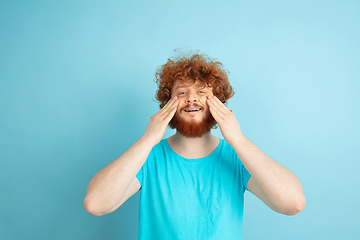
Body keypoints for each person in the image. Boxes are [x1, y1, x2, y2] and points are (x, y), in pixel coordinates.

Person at [84, 53, 306, 239]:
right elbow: (96, 204)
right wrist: (147, 139)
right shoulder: (148, 157)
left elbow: (292, 204)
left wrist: (238, 139)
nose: (192, 99)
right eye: (182, 93)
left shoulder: (237, 158)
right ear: (167, 104)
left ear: (217, 104)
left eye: (202, 93)